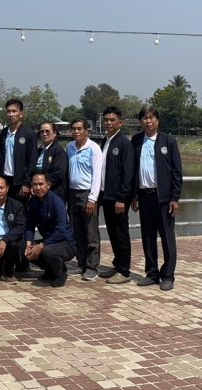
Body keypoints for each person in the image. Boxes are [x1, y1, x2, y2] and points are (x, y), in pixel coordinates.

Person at [131, 105, 182, 291]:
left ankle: (168, 275)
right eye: (145, 118)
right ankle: (152, 273)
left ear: (157, 120)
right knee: (148, 236)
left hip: (164, 199)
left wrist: (175, 198)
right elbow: (133, 170)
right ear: (140, 121)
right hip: (144, 197)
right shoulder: (136, 141)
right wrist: (133, 195)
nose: (148, 121)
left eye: (151, 117)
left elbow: (177, 172)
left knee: (167, 238)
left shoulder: (168, 141)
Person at [99, 106, 135, 284]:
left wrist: (122, 198)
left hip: (118, 198)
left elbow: (128, 174)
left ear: (120, 123)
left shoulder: (124, 144)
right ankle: (117, 263)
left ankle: (124, 270)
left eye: (112, 120)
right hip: (106, 195)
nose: (108, 123)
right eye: (106, 120)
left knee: (121, 233)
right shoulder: (105, 141)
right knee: (112, 233)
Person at [66, 118, 104, 281]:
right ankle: (81, 263)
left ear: (86, 130)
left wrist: (92, 199)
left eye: (79, 129)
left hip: (87, 194)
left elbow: (97, 175)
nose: (76, 132)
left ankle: (92, 266)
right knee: (77, 231)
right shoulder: (69, 147)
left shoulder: (93, 148)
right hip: (72, 193)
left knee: (91, 233)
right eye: (74, 129)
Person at [24, 171, 76, 287]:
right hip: (49, 241)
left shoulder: (56, 202)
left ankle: (60, 273)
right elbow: (30, 225)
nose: (38, 187)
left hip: (65, 243)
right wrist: (28, 243)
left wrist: (41, 246)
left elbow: (60, 231)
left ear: (48, 185)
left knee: (46, 251)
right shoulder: (33, 201)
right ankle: (50, 270)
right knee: (24, 247)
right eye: (35, 184)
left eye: (41, 184)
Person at [0, 98, 37, 198]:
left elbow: (32, 160)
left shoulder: (29, 134)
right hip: (5, 179)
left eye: (14, 111)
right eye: (8, 111)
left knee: (19, 207)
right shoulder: (4, 133)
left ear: (21, 114)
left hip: (20, 181)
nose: (11, 114)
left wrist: (27, 182)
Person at [31, 121, 68, 196]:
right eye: (42, 132)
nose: (44, 134)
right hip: (38, 191)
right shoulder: (39, 150)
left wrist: (44, 186)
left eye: (47, 131)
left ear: (54, 133)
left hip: (53, 192)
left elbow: (58, 173)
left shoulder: (58, 151)